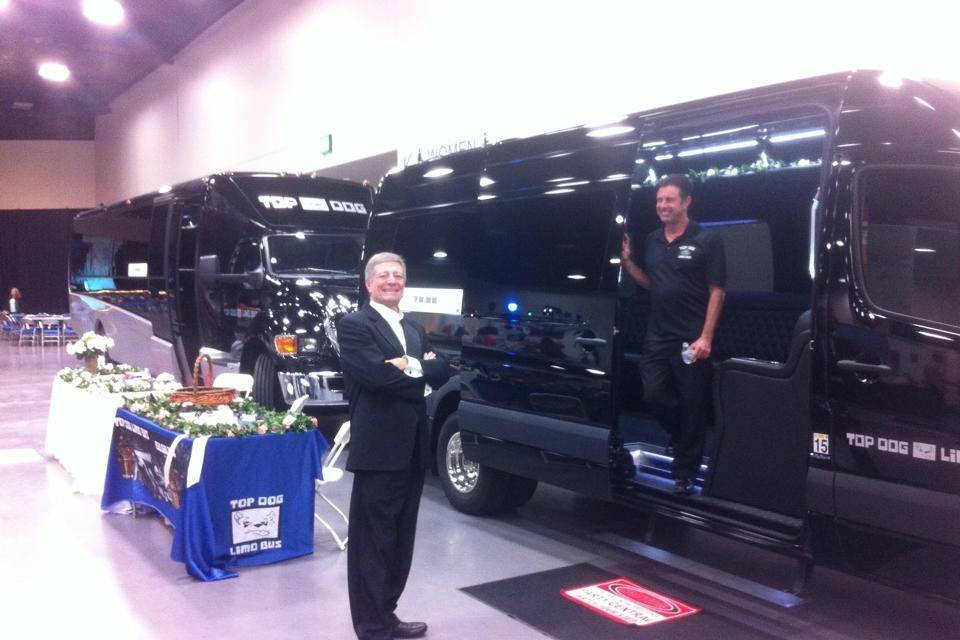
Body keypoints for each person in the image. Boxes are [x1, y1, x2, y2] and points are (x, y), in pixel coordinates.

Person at [337, 252, 453, 640]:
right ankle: (370, 626)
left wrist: (407, 364)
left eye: (398, 275)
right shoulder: (354, 325)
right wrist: (418, 369)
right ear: (369, 283)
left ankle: (387, 614)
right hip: (379, 450)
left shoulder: (415, 328)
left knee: (401, 537)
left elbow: (443, 370)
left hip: (413, 448)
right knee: (373, 540)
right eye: (383, 275)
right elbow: (376, 377)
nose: (392, 281)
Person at [620, 174, 726, 495]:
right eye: (658, 201)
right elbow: (651, 284)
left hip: (691, 338)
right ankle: (680, 440)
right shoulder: (652, 240)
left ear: (685, 202)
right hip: (657, 336)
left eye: (669, 200)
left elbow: (717, 291)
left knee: (693, 406)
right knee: (654, 395)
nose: (662, 206)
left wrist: (706, 337)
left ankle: (685, 472)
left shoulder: (706, 240)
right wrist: (626, 261)